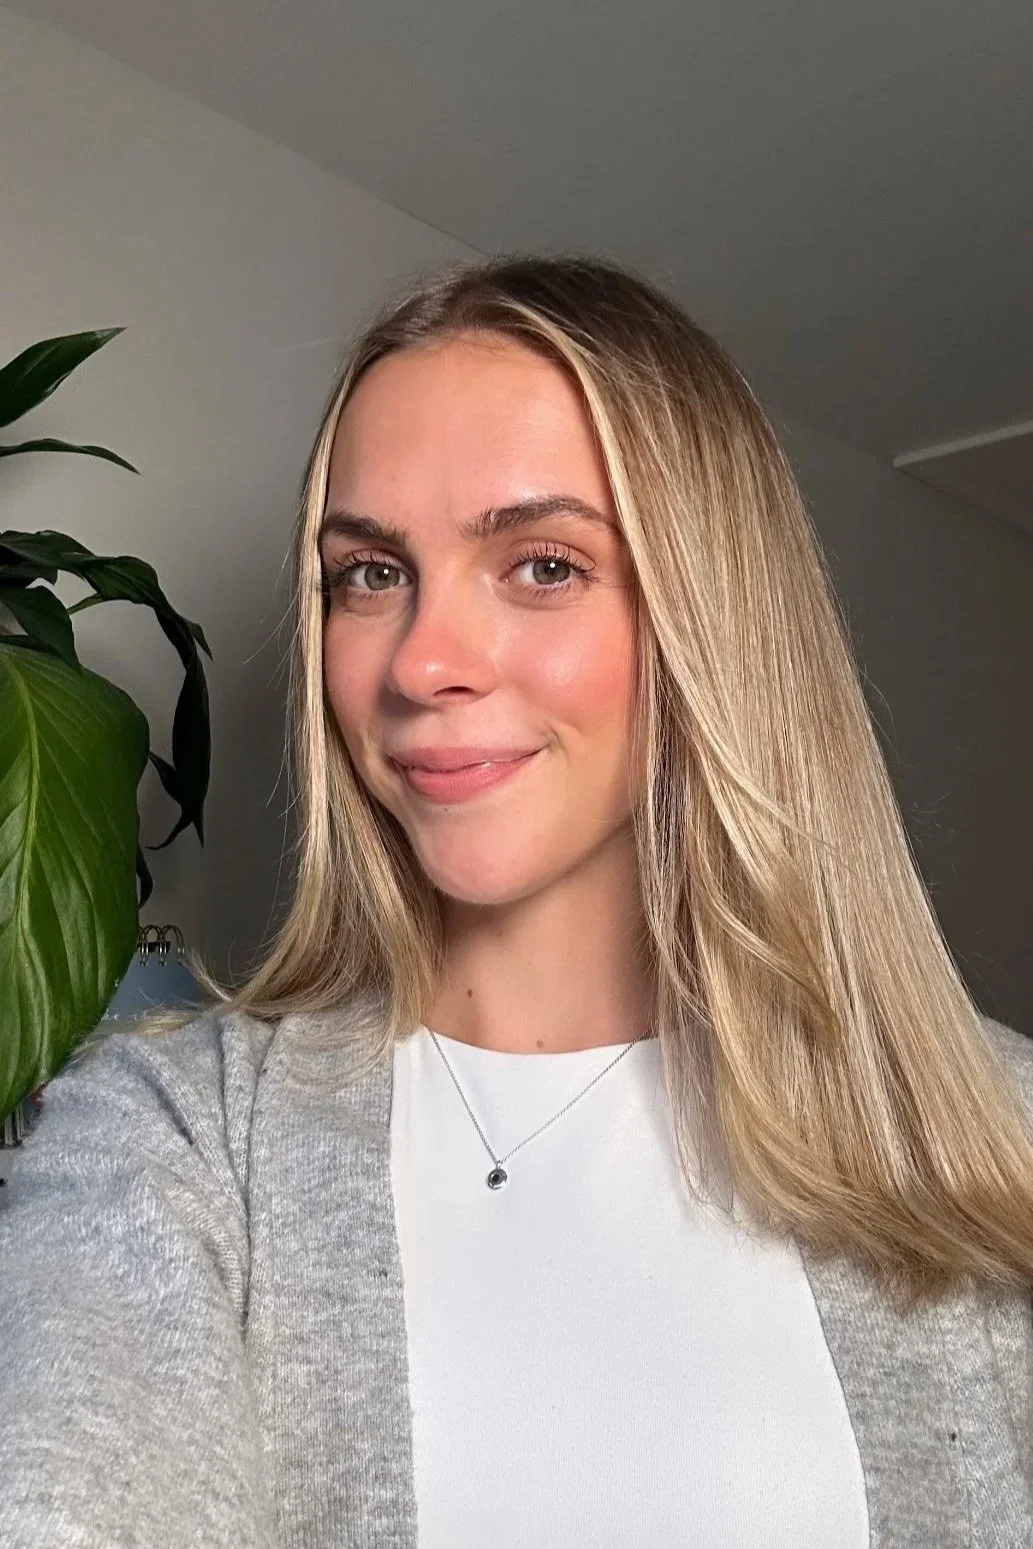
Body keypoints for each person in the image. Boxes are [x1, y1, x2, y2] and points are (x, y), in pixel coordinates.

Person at [2, 254, 1032, 1548]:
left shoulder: (993, 1141)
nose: (423, 660)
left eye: (543, 565)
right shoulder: (179, 1142)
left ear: (709, 614)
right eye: (369, 573)